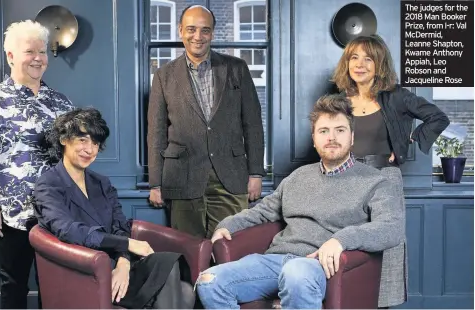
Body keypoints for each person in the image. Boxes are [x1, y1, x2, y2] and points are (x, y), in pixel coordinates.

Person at [196, 94, 405, 309]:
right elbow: (262, 211)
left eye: (340, 130)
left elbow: (392, 228)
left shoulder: (375, 182)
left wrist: (340, 240)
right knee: (209, 281)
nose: (331, 137)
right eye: (324, 131)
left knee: (295, 273)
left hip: (321, 266)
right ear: (314, 139)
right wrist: (228, 224)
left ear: (352, 137)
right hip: (277, 260)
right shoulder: (298, 177)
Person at [33, 108, 195, 309]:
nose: (90, 149)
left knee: (181, 283)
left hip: (117, 265)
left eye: (95, 143)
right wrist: (127, 244)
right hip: (86, 271)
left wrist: (123, 262)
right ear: (64, 139)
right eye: (83, 140)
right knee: (178, 286)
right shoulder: (48, 184)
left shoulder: (102, 183)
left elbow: (120, 226)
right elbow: (69, 231)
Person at [0, 20, 74, 309]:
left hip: (56, 213)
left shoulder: (62, 103)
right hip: (9, 216)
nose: (38, 58)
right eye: (29, 51)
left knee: (60, 284)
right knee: (14, 287)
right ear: (10, 55)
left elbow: (75, 156)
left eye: (42, 51)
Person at [331, 34, 449, 307]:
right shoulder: (338, 101)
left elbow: (438, 117)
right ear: (347, 63)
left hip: (384, 177)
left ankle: (384, 304)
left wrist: (408, 139)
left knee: (388, 245)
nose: (360, 64)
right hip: (346, 179)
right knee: (345, 241)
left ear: (379, 63)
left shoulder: (396, 97)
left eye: (368, 58)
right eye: (354, 58)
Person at [147, 5, 265, 239]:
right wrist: (155, 183)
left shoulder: (237, 68)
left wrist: (256, 174)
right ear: (180, 30)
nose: (197, 37)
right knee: (190, 252)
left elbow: (252, 124)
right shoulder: (164, 75)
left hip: (231, 177)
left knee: (229, 252)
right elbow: (156, 132)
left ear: (212, 33)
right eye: (191, 29)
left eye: (205, 30)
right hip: (182, 177)